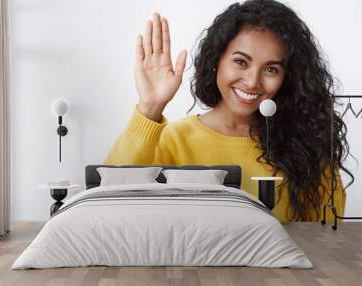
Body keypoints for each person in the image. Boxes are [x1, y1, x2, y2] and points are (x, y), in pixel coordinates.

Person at [105, 0, 354, 222]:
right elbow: (107, 202)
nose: (252, 81)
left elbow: (326, 233)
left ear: (287, 77)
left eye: (271, 69)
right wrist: (150, 107)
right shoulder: (175, 140)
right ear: (216, 60)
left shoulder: (306, 146)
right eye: (240, 62)